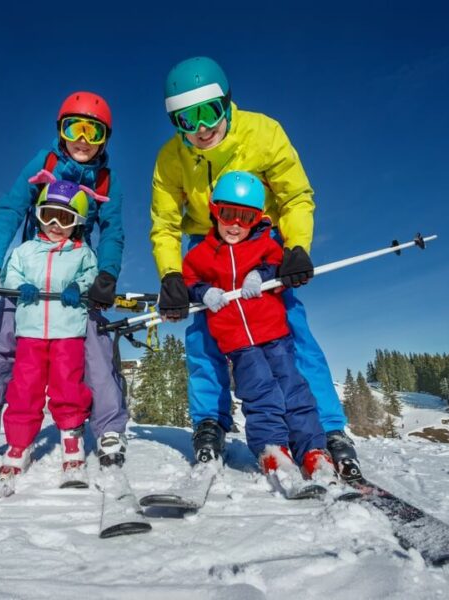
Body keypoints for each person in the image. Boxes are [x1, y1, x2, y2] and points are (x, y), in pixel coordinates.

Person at [150, 56, 360, 481]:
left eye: (208, 113)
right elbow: (165, 223)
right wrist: (172, 276)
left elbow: (297, 195)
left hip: (262, 243)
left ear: (226, 103)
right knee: (205, 333)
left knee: (288, 330)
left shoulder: (263, 133)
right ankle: (210, 421)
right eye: (186, 121)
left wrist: (296, 246)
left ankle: (328, 429)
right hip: (205, 247)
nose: (201, 129)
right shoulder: (171, 158)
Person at [0, 92, 127, 480]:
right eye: (73, 127)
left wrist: (105, 275)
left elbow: (113, 230)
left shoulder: (106, 178)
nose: (82, 139)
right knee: (1, 337)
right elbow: (11, 208)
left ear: (104, 139)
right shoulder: (44, 163)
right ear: (60, 132)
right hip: (30, 275)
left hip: (75, 279)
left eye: (92, 131)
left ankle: (108, 428)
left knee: (94, 348)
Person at [182, 171, 336, 488]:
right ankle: (273, 450)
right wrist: (202, 293)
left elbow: (279, 266)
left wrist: (261, 274)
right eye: (228, 214)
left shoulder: (265, 245)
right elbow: (187, 281)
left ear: (257, 219)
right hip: (239, 344)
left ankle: (313, 450)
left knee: (295, 391)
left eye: (246, 217)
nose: (235, 224)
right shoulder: (201, 254)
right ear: (214, 210)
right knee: (260, 395)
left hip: (275, 336)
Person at [0, 180, 98, 483]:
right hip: (30, 332)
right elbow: (10, 274)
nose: (55, 225)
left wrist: (76, 288)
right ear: (39, 215)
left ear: (77, 223)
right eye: (49, 215)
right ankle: (18, 443)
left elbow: (91, 276)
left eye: (65, 218)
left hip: (67, 331)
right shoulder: (25, 251)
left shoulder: (82, 253)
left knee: (67, 385)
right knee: (24, 387)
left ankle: (71, 437)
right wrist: (20, 287)